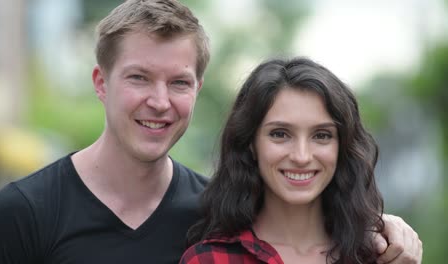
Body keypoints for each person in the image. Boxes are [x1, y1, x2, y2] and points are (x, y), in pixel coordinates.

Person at [0, 1, 421, 264]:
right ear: (100, 82)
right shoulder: (22, 213)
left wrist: (385, 226)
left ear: (198, 88)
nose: (159, 101)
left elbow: (306, 228)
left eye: (178, 82)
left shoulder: (217, 214)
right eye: (138, 78)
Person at [180, 57, 423, 264]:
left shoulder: (380, 255)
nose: (301, 156)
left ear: (342, 147)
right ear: (251, 144)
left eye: (321, 135)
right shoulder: (210, 259)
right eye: (280, 134)